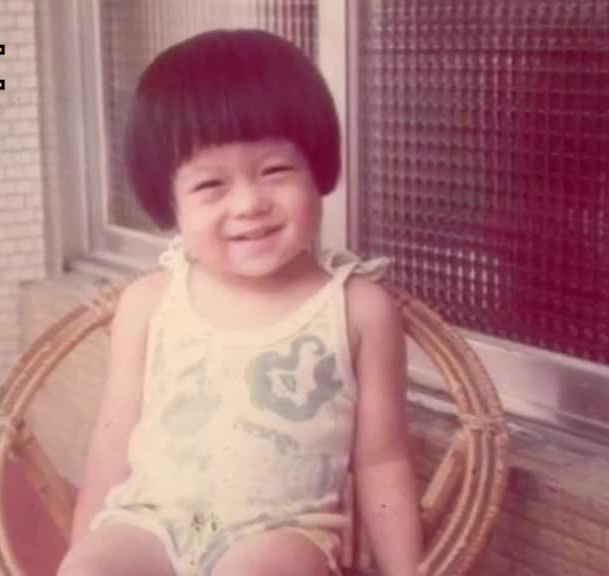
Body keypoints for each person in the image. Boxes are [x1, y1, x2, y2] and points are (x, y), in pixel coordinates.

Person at [57, 28, 422, 576]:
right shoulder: (149, 302)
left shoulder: (357, 309)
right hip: (150, 523)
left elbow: (383, 460)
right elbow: (112, 444)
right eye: (211, 186)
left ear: (317, 170)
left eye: (275, 171)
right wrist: (81, 552)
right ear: (169, 201)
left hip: (280, 534)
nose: (250, 203)